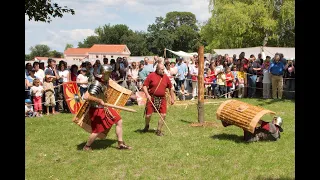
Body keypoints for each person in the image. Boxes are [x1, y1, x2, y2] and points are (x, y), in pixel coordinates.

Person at [82, 64, 132, 151]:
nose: (110, 75)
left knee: (119, 121)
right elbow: (86, 97)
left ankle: (120, 144)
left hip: (104, 108)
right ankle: (87, 146)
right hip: (96, 110)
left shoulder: (105, 81)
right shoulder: (96, 83)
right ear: (104, 73)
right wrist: (99, 101)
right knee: (97, 131)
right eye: (108, 74)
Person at [141, 63, 175, 136]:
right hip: (152, 98)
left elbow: (170, 88)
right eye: (162, 69)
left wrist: (172, 98)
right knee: (148, 115)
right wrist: (147, 95)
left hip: (162, 98)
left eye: (164, 69)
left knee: (163, 115)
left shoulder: (165, 77)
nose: (163, 71)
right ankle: (147, 126)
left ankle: (158, 130)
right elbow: (144, 86)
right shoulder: (151, 75)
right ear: (157, 69)